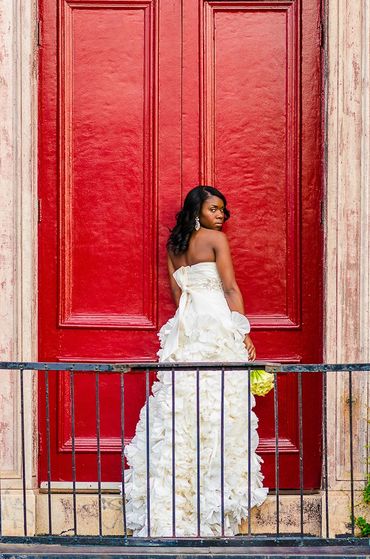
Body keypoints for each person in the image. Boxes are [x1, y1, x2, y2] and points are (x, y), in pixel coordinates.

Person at [124, 186, 268, 536]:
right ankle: (213, 503)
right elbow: (231, 288)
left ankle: (177, 503)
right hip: (216, 323)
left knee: (183, 409)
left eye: (222, 211)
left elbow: (177, 294)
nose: (221, 216)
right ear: (198, 211)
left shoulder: (174, 247)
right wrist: (242, 331)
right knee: (220, 408)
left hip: (187, 327)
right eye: (215, 209)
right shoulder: (216, 240)